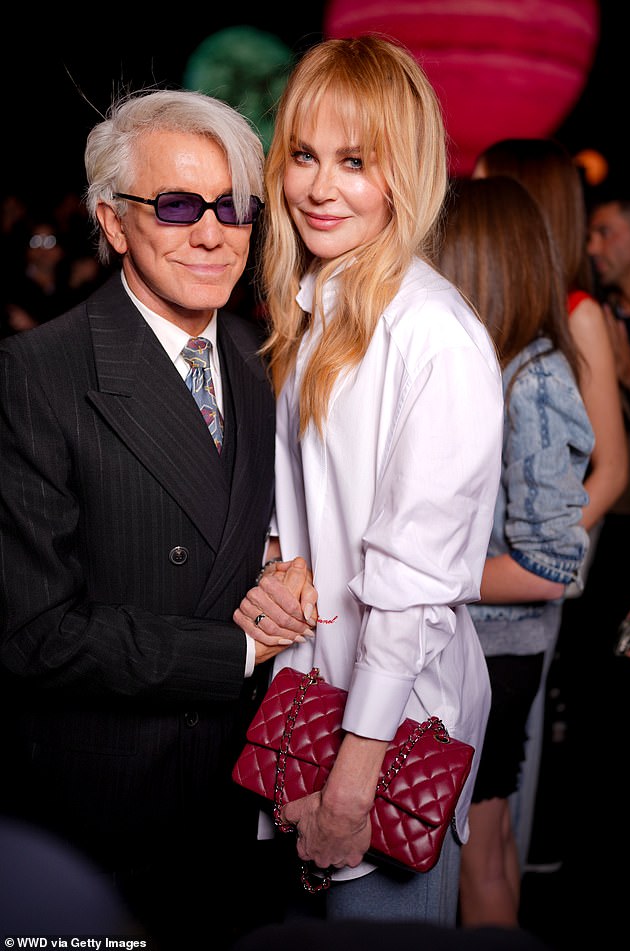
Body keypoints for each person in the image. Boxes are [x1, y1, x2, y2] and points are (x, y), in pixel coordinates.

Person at [0, 88, 316, 950]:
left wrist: (289, 557)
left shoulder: (265, 360)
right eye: (175, 206)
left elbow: (256, 520)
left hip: (246, 807)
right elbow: (32, 633)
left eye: (233, 207)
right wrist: (239, 647)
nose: (211, 232)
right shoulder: (40, 372)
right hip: (103, 815)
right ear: (112, 221)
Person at [236, 35, 504, 926]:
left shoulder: (431, 332)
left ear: (406, 173)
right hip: (316, 698)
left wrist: (357, 770)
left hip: (392, 722)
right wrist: (280, 559)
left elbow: (413, 589)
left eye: (355, 161)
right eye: (305, 155)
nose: (319, 187)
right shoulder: (317, 311)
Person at [434, 175, 593, 926]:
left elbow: (551, 567)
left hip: (499, 649)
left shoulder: (531, 376)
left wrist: (426, 575)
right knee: (487, 845)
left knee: (479, 850)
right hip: (492, 645)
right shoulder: (499, 361)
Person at [472, 138, 628, 872]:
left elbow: (613, 466)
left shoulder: (574, 313)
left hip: (529, 560)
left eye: (485, 187)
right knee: (497, 791)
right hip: (515, 559)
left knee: (499, 784)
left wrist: (543, 553)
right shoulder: (501, 316)